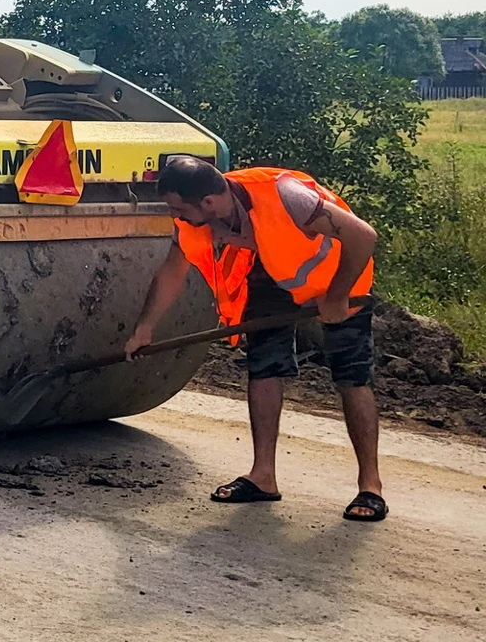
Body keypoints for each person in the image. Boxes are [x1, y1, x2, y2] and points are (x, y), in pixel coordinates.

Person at [126, 156, 385, 522]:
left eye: (178, 209)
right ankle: (263, 477)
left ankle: (370, 487)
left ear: (209, 203)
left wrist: (338, 295)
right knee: (264, 366)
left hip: (339, 279)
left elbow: (363, 236)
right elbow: (173, 269)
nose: (176, 216)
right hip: (272, 269)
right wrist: (145, 327)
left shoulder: (286, 195)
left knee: (351, 374)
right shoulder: (200, 211)